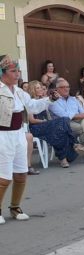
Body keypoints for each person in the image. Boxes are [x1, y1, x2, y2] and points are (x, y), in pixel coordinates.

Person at [0, 55, 55, 224]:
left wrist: (49, 99)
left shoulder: (19, 92)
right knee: (4, 177)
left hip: (18, 134)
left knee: (21, 173)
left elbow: (32, 105)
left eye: (18, 71)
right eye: (13, 71)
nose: (17, 74)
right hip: (2, 136)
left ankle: (15, 207)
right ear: (2, 72)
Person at [27, 80, 84, 168]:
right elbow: (31, 120)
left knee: (59, 129)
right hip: (36, 127)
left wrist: (49, 122)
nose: (41, 90)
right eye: (38, 88)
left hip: (46, 125)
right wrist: (45, 122)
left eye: (41, 88)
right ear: (32, 90)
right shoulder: (30, 102)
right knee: (61, 123)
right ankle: (73, 144)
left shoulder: (43, 100)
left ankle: (64, 159)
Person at [49, 78, 84, 164]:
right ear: (57, 89)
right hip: (62, 124)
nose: (66, 89)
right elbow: (65, 116)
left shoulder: (73, 99)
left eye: (68, 87)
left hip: (77, 121)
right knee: (83, 128)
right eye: (63, 87)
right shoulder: (53, 102)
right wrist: (82, 115)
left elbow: (82, 112)